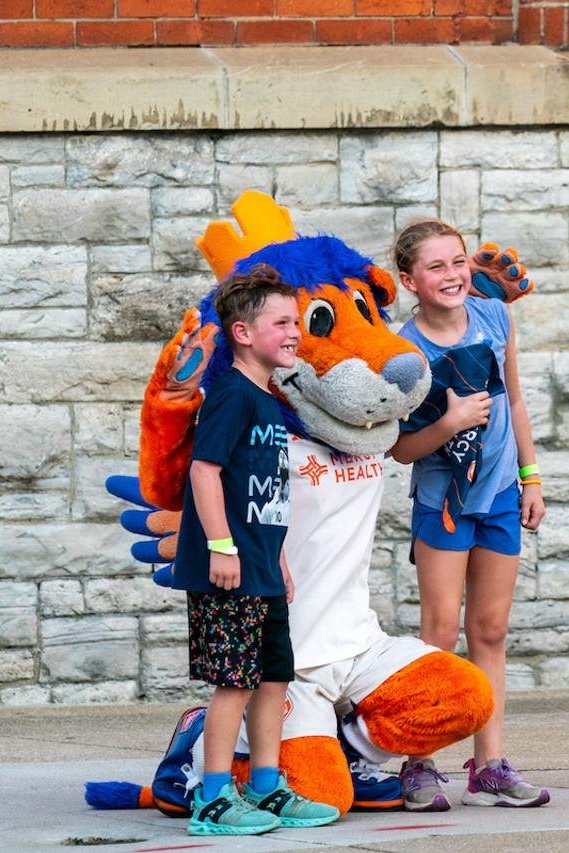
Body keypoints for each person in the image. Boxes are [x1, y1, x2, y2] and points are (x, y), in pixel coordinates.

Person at [170, 264, 339, 836]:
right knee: (235, 680)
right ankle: (214, 798)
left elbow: (265, 495)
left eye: (297, 320)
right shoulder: (231, 397)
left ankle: (266, 786)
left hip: (263, 567)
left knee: (273, 678)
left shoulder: (269, 401)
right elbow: (205, 472)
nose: (295, 331)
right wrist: (221, 545)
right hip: (228, 569)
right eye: (283, 322)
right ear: (243, 333)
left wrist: (279, 559)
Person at [389, 218, 550, 810]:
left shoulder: (495, 317)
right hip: (444, 506)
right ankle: (419, 763)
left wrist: (530, 477)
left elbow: (516, 398)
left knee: (489, 632)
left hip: (502, 497)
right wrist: (449, 424)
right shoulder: (404, 354)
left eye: (458, 261)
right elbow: (398, 450)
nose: (452, 274)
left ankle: (489, 766)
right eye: (436, 266)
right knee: (437, 634)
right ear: (410, 280)